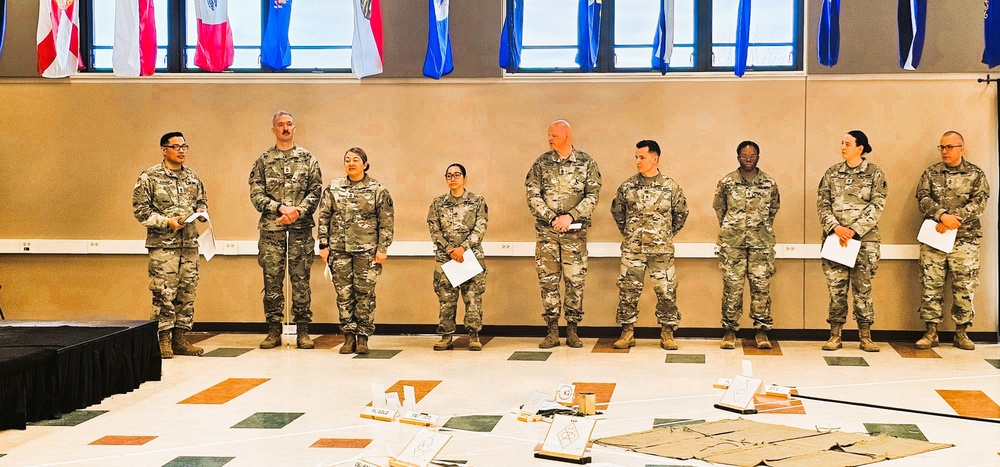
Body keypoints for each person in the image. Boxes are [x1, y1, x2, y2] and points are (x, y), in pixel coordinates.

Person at [249, 111, 323, 350]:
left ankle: (302, 331)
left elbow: (315, 192)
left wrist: (297, 212)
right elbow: (256, 194)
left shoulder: (308, 159)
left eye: (289, 124)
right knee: (272, 281)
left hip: (300, 230)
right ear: (273, 130)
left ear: (294, 128)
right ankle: (273, 330)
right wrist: (280, 207)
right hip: (272, 231)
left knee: (301, 281)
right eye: (280, 125)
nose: (285, 128)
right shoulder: (263, 160)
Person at [525, 120, 602, 349]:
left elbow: (593, 195)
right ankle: (551, 331)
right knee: (548, 282)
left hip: (574, 235)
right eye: (549, 135)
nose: (550, 139)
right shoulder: (541, 163)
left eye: (554, 135)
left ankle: (572, 330)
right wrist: (551, 218)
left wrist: (571, 216)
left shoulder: (586, 163)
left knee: (574, 281)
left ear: (567, 135)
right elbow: (532, 195)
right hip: (548, 234)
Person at [132, 132, 208, 359]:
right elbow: (141, 211)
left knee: (187, 292)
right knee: (164, 293)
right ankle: (163, 339)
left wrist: (202, 213)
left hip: (189, 246)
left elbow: (201, 202)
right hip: (163, 246)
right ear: (164, 149)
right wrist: (166, 222)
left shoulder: (193, 178)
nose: (181, 150)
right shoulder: (149, 177)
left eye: (184, 146)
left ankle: (180, 339)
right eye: (176, 147)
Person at [914, 131, 990, 350]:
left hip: (965, 240)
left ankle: (962, 333)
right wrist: (941, 216)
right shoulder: (931, 173)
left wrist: (953, 219)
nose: (945, 151)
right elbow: (923, 198)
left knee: (964, 286)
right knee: (931, 285)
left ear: (961, 148)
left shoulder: (976, 174)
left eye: (950, 147)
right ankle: (930, 333)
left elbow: (979, 202)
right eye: (942, 147)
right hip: (935, 239)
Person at [610, 140, 688, 350]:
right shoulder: (627, 187)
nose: (637, 161)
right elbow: (618, 213)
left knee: (666, 290)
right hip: (633, 249)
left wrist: (664, 235)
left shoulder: (671, 187)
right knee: (628, 291)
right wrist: (631, 234)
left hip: (661, 250)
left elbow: (681, 214)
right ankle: (627, 332)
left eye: (642, 157)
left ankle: (667, 332)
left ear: (655, 158)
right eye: (636, 157)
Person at [816, 130, 887, 352]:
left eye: (847, 143)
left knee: (863, 290)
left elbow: (877, 206)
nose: (843, 147)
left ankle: (865, 336)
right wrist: (836, 228)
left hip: (864, 243)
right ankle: (835, 335)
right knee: (836, 290)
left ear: (860, 148)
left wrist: (854, 230)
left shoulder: (875, 174)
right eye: (842, 143)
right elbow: (823, 203)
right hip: (836, 239)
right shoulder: (832, 173)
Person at [318, 148, 394, 355]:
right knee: (343, 294)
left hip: (367, 251)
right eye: (347, 160)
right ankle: (348, 336)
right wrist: (323, 245)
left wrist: (383, 248)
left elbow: (386, 221)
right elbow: (324, 217)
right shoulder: (334, 188)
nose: (351, 163)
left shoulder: (378, 189)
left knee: (365, 294)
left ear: (365, 164)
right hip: (339, 250)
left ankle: (363, 337)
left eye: (356, 160)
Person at [713, 141, 780, 350]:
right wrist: (733, 229)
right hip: (733, 244)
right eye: (744, 155)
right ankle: (730, 330)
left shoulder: (769, 183)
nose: (748, 158)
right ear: (738, 157)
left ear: (758, 157)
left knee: (761, 288)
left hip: (761, 244)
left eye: (752, 155)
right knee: (732, 288)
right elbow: (719, 209)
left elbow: (773, 209)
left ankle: (761, 331)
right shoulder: (727, 183)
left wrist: (760, 229)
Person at [427, 163, 489, 351]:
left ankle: (474, 336)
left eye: (457, 175)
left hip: (470, 257)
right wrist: (449, 249)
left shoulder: (477, 201)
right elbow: (434, 229)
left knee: (473, 299)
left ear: (465, 178)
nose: (453, 178)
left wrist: (462, 248)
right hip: (446, 259)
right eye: (449, 175)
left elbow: (480, 227)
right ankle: (446, 336)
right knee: (446, 299)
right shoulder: (437, 203)